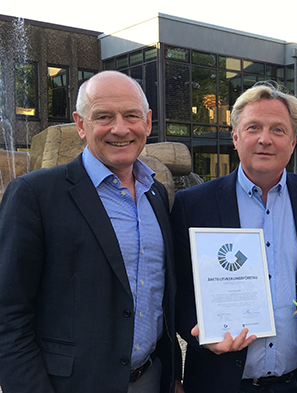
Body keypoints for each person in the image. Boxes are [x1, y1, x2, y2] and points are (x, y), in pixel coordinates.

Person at [0, 71, 177, 393]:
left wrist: (172, 374)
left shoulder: (156, 193)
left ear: (148, 123)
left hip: (150, 379)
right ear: (81, 125)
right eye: (103, 117)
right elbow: (7, 311)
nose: (120, 129)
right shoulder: (34, 194)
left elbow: (160, 295)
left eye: (131, 116)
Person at [170, 82, 297, 393]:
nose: (265, 139)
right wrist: (199, 333)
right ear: (235, 136)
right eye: (253, 127)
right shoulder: (192, 204)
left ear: (293, 140)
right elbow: (178, 288)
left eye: (278, 129)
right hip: (221, 381)